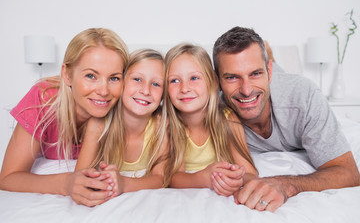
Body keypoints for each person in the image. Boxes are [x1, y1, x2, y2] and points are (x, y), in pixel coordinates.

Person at [212, 26, 360, 212]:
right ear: (217, 82)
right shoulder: (213, 111)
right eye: (232, 77)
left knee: (273, 83)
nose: (246, 89)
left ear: (268, 71)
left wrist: (286, 184)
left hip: (283, 85)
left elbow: (349, 173)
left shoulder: (303, 95)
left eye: (256, 73)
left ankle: (270, 56)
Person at [0, 28, 129, 207]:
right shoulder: (43, 97)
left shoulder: (127, 104)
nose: (104, 91)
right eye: (91, 76)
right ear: (67, 75)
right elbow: (8, 178)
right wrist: (67, 183)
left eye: (114, 78)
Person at [165, 43, 258, 198]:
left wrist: (236, 179)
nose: (184, 88)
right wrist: (203, 178)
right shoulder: (169, 125)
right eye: (174, 80)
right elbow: (172, 178)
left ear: (213, 83)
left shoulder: (227, 120)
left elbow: (250, 173)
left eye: (194, 78)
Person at [75, 48, 169, 197]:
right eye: (137, 79)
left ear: (164, 94)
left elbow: (161, 179)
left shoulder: (161, 125)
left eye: (156, 84)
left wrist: (124, 183)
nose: (145, 91)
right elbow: (79, 178)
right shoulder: (100, 123)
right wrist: (100, 181)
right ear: (121, 82)